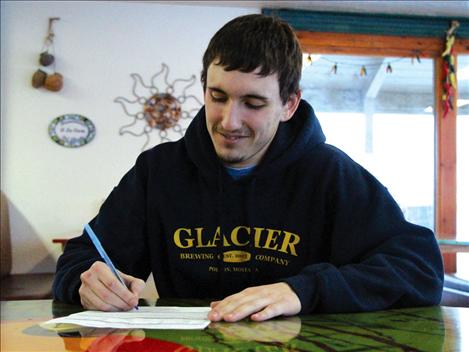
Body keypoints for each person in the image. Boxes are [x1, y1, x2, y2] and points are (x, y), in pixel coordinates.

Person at [53, 14, 443, 322]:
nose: (228, 121)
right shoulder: (159, 170)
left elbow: (419, 268)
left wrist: (303, 290)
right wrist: (85, 281)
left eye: (253, 104)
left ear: (289, 105)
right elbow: (81, 257)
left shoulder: (330, 173)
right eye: (217, 96)